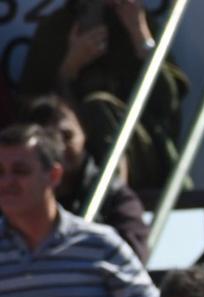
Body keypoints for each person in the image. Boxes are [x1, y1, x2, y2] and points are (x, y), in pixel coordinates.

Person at [0, 123, 158, 297]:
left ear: (53, 175)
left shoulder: (100, 243)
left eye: (20, 171)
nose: (7, 181)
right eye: (0, 172)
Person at [17, 0, 188, 191]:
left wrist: (139, 34)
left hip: (141, 150)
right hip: (72, 156)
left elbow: (167, 103)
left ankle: (114, 195)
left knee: (99, 106)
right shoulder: (54, 28)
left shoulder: (137, 19)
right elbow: (31, 108)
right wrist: (69, 68)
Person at [20, 93, 150, 262]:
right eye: (50, 139)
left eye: (67, 136)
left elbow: (132, 259)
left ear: (84, 134)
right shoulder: (16, 201)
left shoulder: (113, 196)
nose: (60, 146)